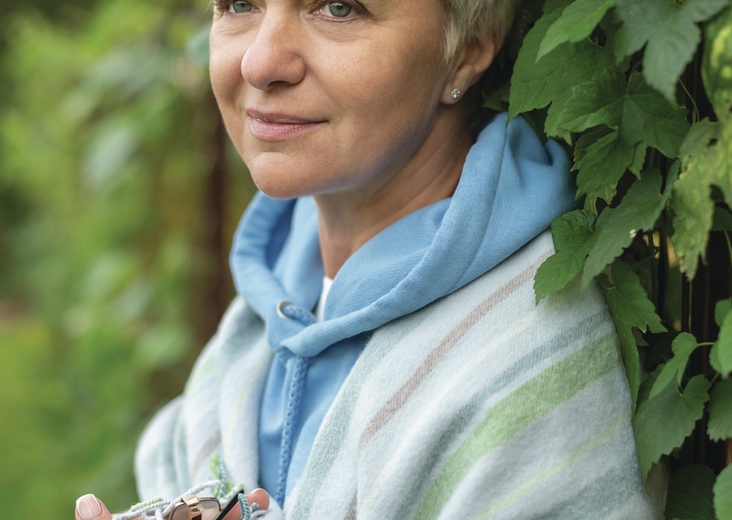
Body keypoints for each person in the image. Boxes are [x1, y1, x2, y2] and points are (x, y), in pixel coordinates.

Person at [74, 0, 661, 518]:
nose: (260, 62)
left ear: (465, 53)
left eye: (339, 7)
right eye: (238, 3)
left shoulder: (525, 360)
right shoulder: (268, 300)